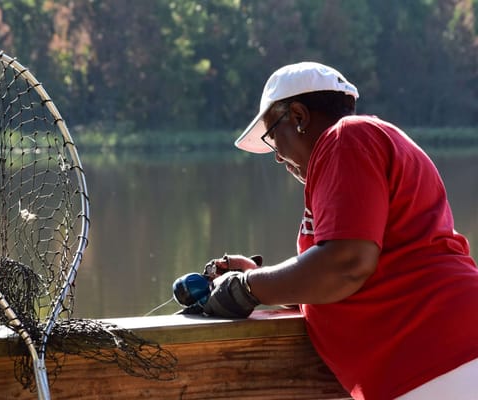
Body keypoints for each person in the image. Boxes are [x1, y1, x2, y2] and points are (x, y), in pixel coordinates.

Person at [201, 62, 478, 400]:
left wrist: (247, 288)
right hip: (440, 364)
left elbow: (346, 265)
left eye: (273, 138)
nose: (277, 157)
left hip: (442, 361)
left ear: (299, 117)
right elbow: (347, 275)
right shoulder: (358, 146)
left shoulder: (347, 137)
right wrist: (262, 278)